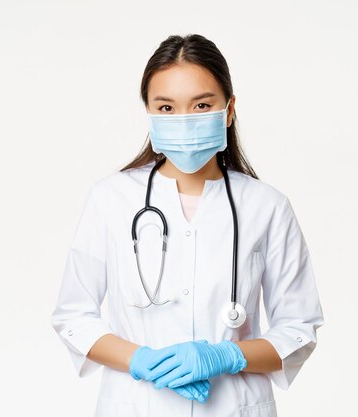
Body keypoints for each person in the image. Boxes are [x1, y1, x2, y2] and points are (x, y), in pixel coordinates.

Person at [50, 33, 324, 417]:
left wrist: (226, 356)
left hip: (233, 407)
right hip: (136, 405)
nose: (183, 120)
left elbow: (298, 330)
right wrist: (139, 359)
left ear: (228, 110)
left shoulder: (267, 206)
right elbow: (73, 316)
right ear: (148, 112)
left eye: (201, 105)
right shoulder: (110, 198)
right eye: (166, 107)